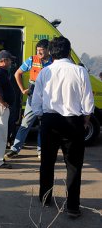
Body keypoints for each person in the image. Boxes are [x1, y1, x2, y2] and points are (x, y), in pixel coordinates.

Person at [32, 36, 94, 218]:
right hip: (73, 121)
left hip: (50, 120)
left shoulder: (45, 72)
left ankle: (45, 198)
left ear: (51, 52)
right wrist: (84, 121)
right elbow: (88, 102)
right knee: (73, 165)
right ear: (69, 51)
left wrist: (43, 118)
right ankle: (73, 207)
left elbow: (37, 102)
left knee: (47, 161)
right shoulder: (80, 71)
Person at [5, 39, 53, 159]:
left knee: (44, 126)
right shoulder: (32, 59)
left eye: (41, 51)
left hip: (48, 98)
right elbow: (18, 73)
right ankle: (15, 149)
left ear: (48, 50)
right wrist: (22, 89)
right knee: (26, 123)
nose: (39, 53)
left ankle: (41, 151)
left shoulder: (54, 62)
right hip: (33, 97)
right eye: (37, 51)